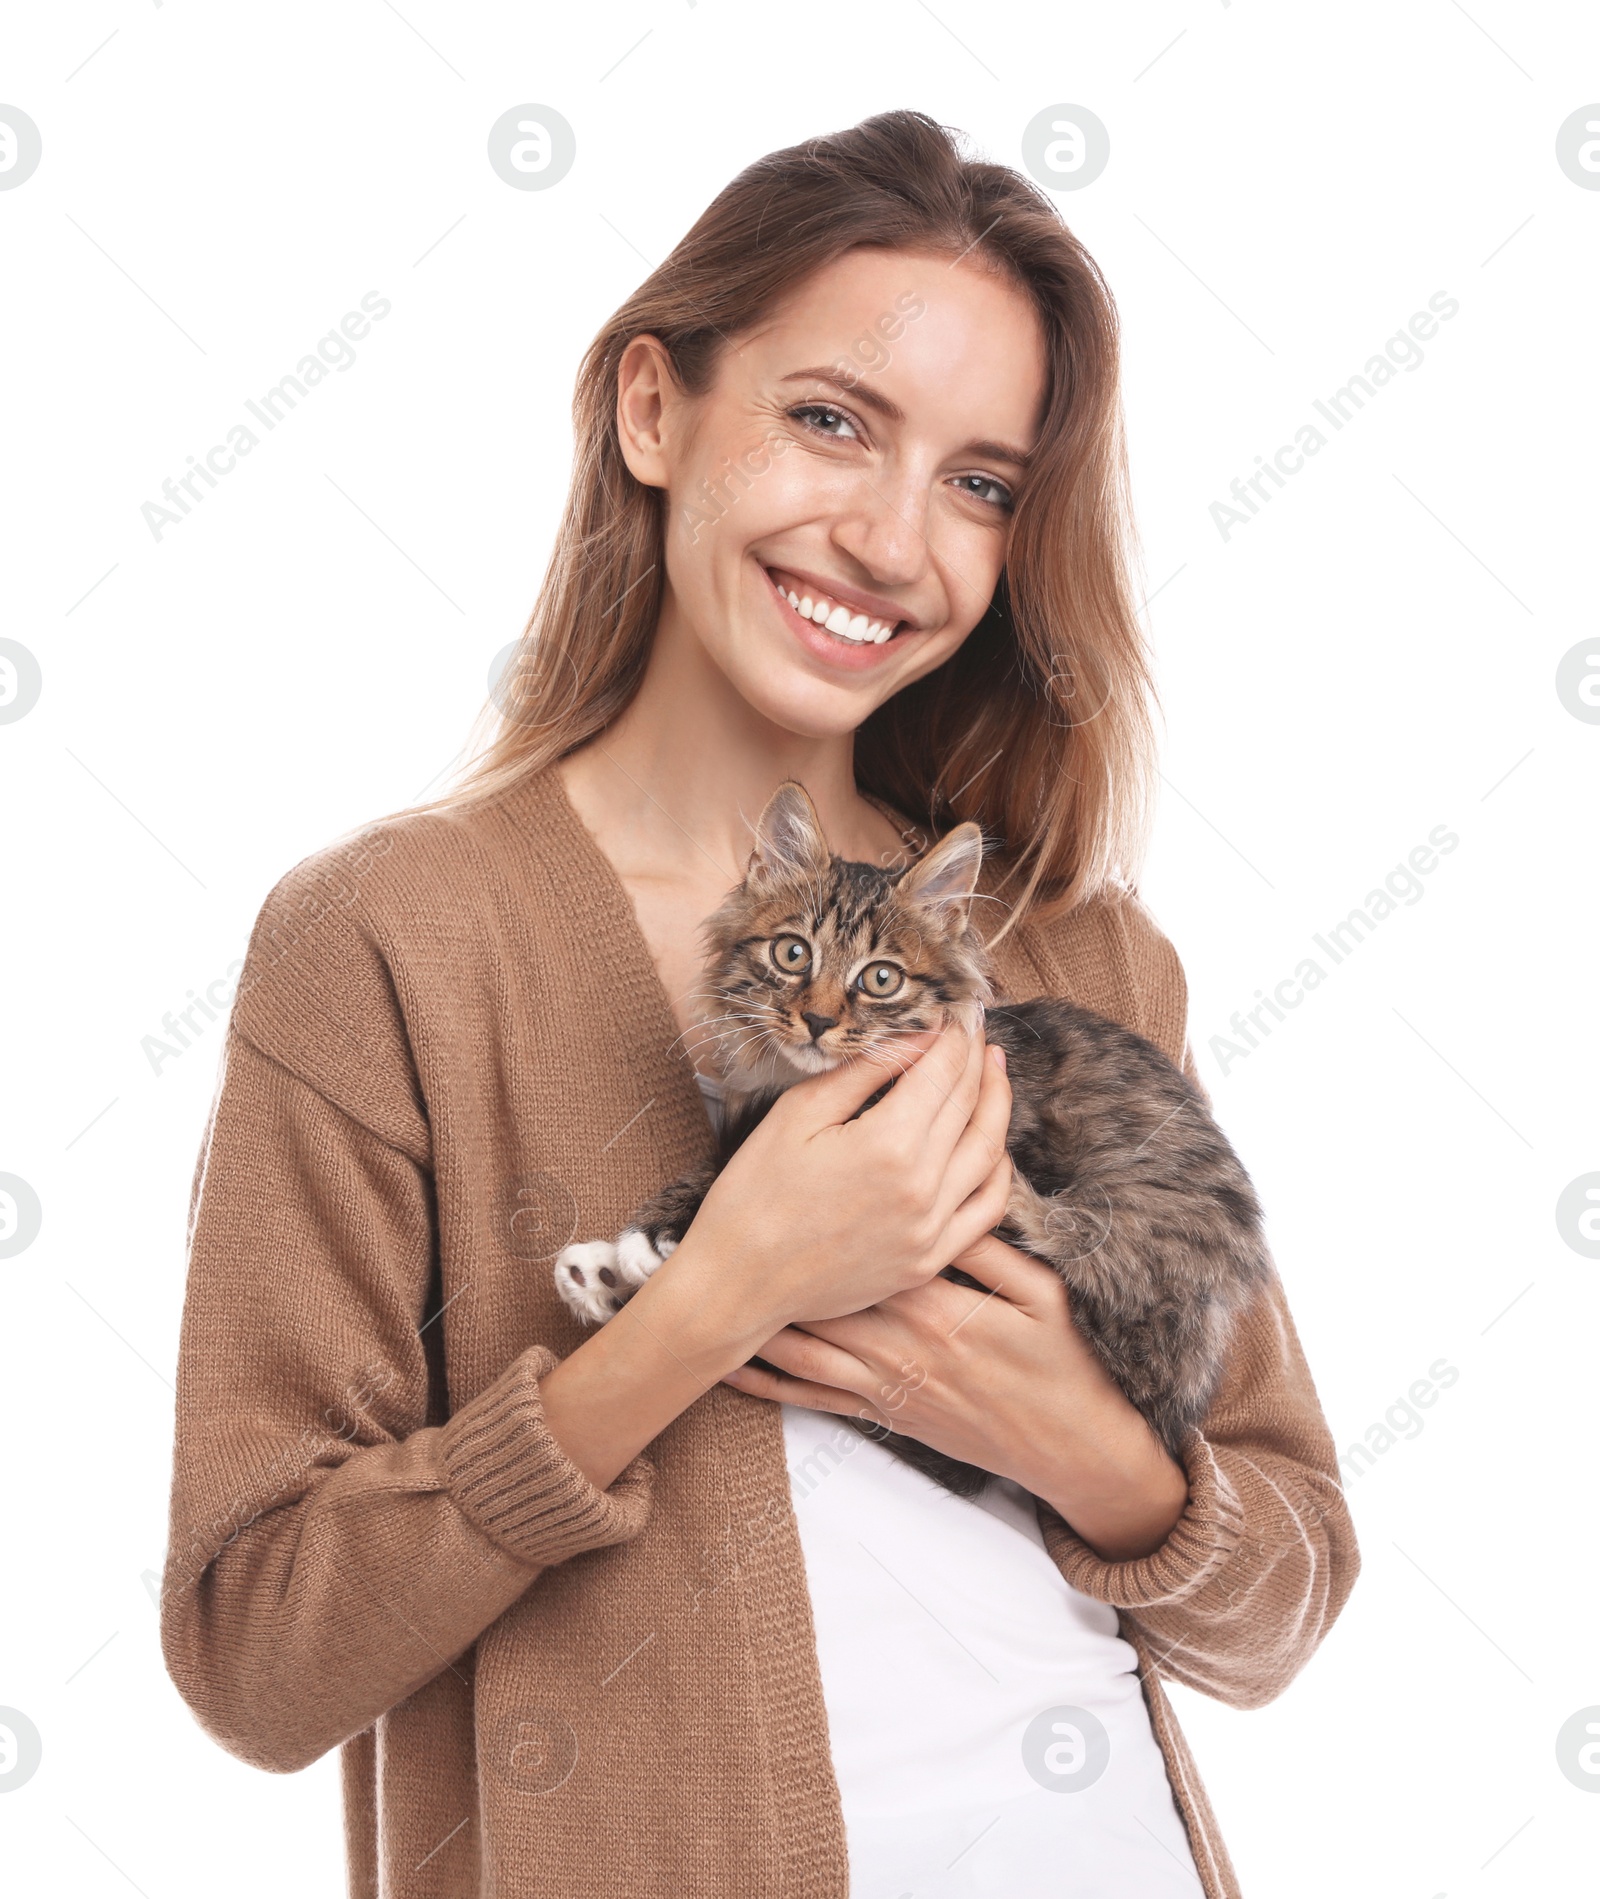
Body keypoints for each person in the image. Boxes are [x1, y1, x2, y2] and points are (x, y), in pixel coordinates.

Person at [160, 109, 1358, 1897]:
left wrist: (1081, 1447)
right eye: (830, 422)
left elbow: (1285, 1595)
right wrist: (708, 1306)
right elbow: (258, 1652)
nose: (892, 539)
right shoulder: (395, 942)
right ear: (655, 411)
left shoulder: (1081, 952)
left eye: (981, 483)